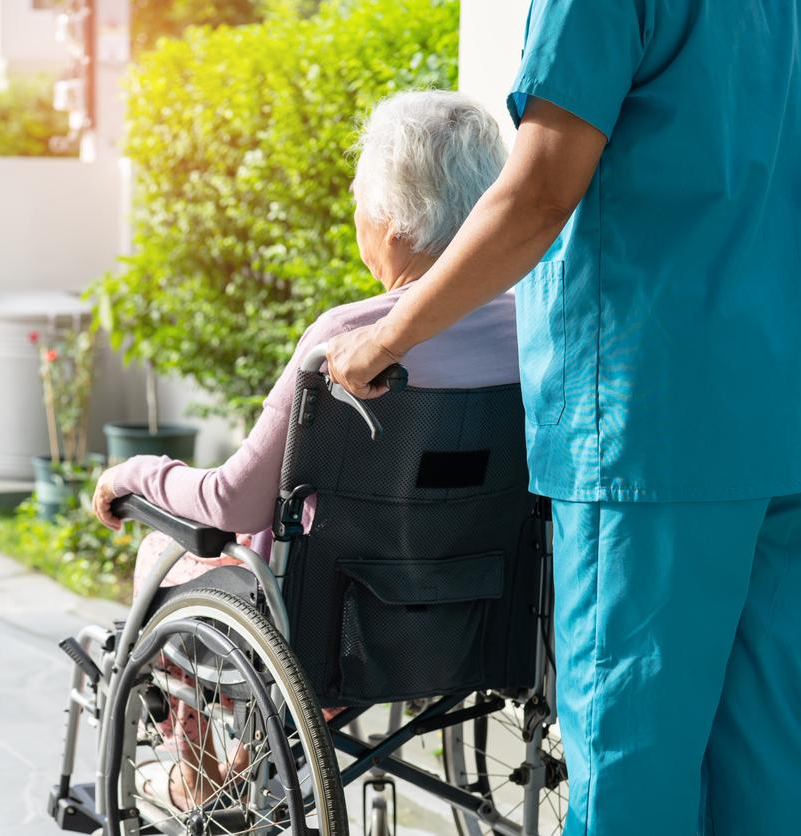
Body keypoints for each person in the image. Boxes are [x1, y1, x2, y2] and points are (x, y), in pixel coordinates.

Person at [325, 2, 801, 834]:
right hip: (793, 406)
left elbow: (540, 192)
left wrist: (385, 337)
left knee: (633, 756)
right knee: (767, 738)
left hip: (657, 422)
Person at [91, 89, 520, 808]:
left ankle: (200, 775)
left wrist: (135, 471)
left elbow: (233, 500)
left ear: (388, 221)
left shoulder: (348, 341)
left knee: (161, 549)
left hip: (337, 626)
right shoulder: (532, 333)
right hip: (478, 611)